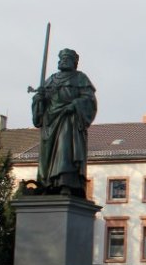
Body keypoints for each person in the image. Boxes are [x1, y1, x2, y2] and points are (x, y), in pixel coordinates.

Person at [30, 48, 97, 196]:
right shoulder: (51, 80)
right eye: (62, 58)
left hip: (69, 120)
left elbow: (89, 100)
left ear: (75, 63)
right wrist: (38, 99)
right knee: (47, 154)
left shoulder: (80, 79)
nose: (64, 61)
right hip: (50, 122)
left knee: (65, 151)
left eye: (68, 59)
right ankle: (46, 184)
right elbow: (42, 104)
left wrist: (74, 105)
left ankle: (66, 183)